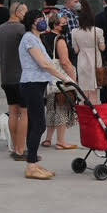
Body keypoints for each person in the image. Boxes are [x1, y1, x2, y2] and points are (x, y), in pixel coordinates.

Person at [19, 11, 69, 179]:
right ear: (31, 23)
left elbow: (46, 62)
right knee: (39, 125)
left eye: (43, 19)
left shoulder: (37, 38)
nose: (43, 22)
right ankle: (31, 166)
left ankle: (33, 163)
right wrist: (65, 77)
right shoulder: (28, 39)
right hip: (31, 84)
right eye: (39, 19)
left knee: (36, 124)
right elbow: (43, 63)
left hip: (37, 85)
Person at [0, 3, 28, 160]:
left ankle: (14, 146)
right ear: (18, 12)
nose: (26, 15)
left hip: (6, 76)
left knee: (12, 112)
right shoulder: (21, 30)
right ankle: (22, 149)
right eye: (25, 12)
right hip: (21, 76)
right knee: (24, 113)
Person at [40, 16, 77, 149]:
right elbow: (65, 62)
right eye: (63, 24)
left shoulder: (42, 37)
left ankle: (48, 139)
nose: (65, 26)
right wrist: (73, 79)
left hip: (47, 77)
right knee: (62, 106)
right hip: (59, 77)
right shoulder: (59, 40)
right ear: (55, 25)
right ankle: (61, 141)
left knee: (51, 108)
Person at [71, 0, 106, 105]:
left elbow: (76, 50)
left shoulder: (74, 32)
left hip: (82, 62)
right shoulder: (98, 31)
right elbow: (102, 48)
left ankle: (85, 115)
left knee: (84, 92)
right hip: (96, 63)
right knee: (94, 92)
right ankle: (94, 116)